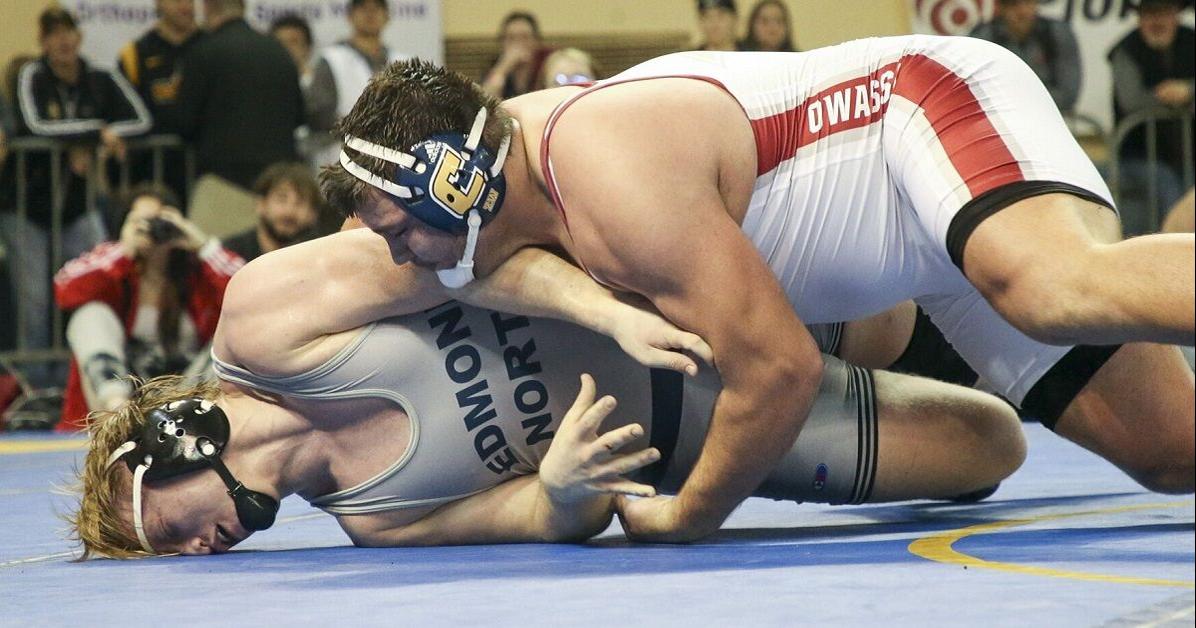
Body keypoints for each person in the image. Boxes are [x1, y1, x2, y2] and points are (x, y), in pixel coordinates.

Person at [322, 37, 1195, 541]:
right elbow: (481, 272)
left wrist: (688, 514)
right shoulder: (513, 195)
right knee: (1170, 452)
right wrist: (587, 308)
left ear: (458, 185)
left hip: (923, 113)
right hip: (924, 241)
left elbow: (779, 372)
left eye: (401, 231)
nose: (402, 258)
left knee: (1052, 286)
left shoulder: (605, 180)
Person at [67, 227, 1025, 558]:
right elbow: (542, 516)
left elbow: (468, 253)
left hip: (666, 293)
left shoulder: (266, 317)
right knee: (990, 450)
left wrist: (610, 316)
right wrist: (563, 489)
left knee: (895, 310)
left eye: (166, 526)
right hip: (692, 427)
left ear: (175, 439)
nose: (196, 547)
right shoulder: (377, 521)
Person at [0, 7, 152, 385]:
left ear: (79, 37)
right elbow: (33, 125)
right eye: (52, 34)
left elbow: (142, 120)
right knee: (34, 302)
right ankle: (36, 387)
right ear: (43, 42)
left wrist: (90, 137)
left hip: (78, 206)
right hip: (26, 208)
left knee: (95, 286)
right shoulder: (31, 75)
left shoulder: (100, 76)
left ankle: (93, 378)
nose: (62, 41)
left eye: (67, 32)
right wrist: (94, 135)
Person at [54, 183, 241, 430]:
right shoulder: (113, 266)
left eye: (160, 221)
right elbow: (64, 285)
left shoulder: (198, 273)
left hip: (188, 398)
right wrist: (124, 249)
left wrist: (203, 246)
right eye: (140, 221)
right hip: (122, 396)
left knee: (235, 332)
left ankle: (191, 419)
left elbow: (249, 293)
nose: (152, 230)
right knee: (89, 315)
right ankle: (117, 415)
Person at [170, 0, 303, 190]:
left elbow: (183, 122)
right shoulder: (278, 50)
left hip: (221, 184)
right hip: (275, 183)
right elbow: (299, 116)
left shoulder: (202, 53)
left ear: (208, 7)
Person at [1107, 0, 1194, 235]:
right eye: (1150, 14)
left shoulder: (1192, 40)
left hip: (1188, 153)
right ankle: (1173, 252)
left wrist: (1189, 91)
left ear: (1176, 15)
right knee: (1167, 185)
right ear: (1139, 18)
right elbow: (1132, 101)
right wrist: (1173, 99)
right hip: (1138, 155)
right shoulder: (1124, 50)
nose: (1157, 21)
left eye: (1164, 13)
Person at [117, 0, 203, 205]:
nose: (185, 6)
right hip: (151, 174)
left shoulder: (211, 45)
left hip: (203, 172)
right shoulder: (135, 53)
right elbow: (124, 114)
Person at [306, 0, 408, 169]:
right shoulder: (332, 59)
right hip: (343, 159)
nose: (370, 13)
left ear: (387, 16)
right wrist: (361, 128)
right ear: (350, 16)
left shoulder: (403, 62)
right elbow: (318, 114)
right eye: (363, 8)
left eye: (376, 8)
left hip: (394, 162)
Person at [969, 0, 1081, 114]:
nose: (1022, 12)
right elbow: (977, 92)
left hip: (1051, 116)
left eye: (1028, 3)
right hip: (1000, 118)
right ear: (1001, 8)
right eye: (1014, 5)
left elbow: (1068, 93)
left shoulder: (1056, 33)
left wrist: (1025, 106)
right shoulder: (983, 38)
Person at [222, 162, 324, 262]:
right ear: (261, 204)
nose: (289, 211)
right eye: (281, 199)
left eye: (300, 203)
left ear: (313, 214)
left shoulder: (317, 262)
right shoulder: (228, 258)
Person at [480, 12, 552, 100]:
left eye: (525, 37)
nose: (518, 44)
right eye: (511, 38)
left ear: (536, 41)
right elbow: (484, 102)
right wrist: (503, 68)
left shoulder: (548, 63)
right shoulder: (495, 66)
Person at [269, 14, 314, 83]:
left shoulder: (317, 84)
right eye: (280, 43)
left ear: (307, 48)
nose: (286, 47)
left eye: (293, 42)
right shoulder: (263, 84)